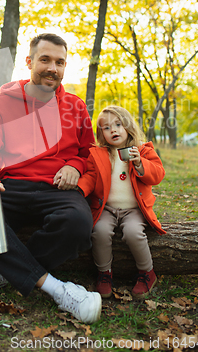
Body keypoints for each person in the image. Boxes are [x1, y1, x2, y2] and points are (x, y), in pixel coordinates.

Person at [0, 33, 102, 323]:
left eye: (60, 62)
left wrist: (75, 166)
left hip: (57, 188)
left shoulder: (76, 107)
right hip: (11, 188)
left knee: (79, 223)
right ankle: (59, 290)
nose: (52, 68)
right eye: (45, 59)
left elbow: (89, 154)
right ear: (29, 61)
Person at [65, 105, 166, 299]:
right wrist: (78, 189)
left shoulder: (143, 151)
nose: (113, 130)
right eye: (107, 127)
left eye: (118, 124)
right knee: (99, 231)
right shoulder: (99, 154)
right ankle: (105, 273)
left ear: (127, 126)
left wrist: (139, 164)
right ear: (101, 133)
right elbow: (91, 177)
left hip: (134, 209)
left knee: (133, 232)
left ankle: (147, 273)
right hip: (107, 208)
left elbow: (158, 174)